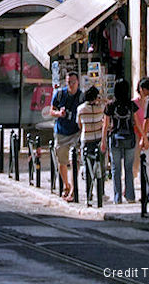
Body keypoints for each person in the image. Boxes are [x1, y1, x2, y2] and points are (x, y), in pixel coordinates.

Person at [102, 78, 139, 204]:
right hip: (129, 138)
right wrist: (144, 137)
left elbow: (105, 125)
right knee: (128, 168)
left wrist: (103, 141)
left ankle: (117, 198)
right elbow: (137, 123)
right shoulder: (131, 105)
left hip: (115, 139)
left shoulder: (110, 106)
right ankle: (130, 196)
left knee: (115, 169)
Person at [50, 69, 81, 200]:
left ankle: (73, 189)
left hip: (75, 132)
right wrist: (59, 114)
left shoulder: (81, 96)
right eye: (69, 82)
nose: (71, 85)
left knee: (74, 161)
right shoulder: (59, 94)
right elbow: (51, 110)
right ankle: (66, 186)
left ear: (78, 82)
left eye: (73, 82)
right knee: (62, 161)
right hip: (61, 132)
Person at [76, 85, 105, 206]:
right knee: (100, 167)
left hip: (86, 140)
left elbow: (79, 125)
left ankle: (89, 192)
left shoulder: (80, 109)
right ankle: (101, 191)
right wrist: (101, 100)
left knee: (88, 168)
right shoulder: (101, 108)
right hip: (98, 140)